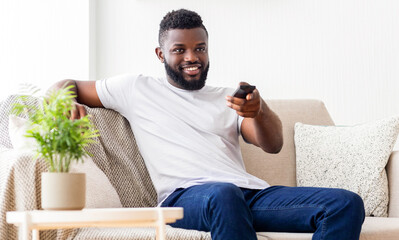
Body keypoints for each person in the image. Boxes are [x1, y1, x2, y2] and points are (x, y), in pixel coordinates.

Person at [51, 9, 365, 240]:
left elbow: (273, 144)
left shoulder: (228, 97)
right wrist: (63, 100)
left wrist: (258, 110)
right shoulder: (136, 88)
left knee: (344, 203)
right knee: (223, 194)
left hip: (247, 195)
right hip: (185, 198)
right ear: (161, 54)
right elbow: (66, 84)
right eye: (180, 50)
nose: (192, 57)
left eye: (199, 48)